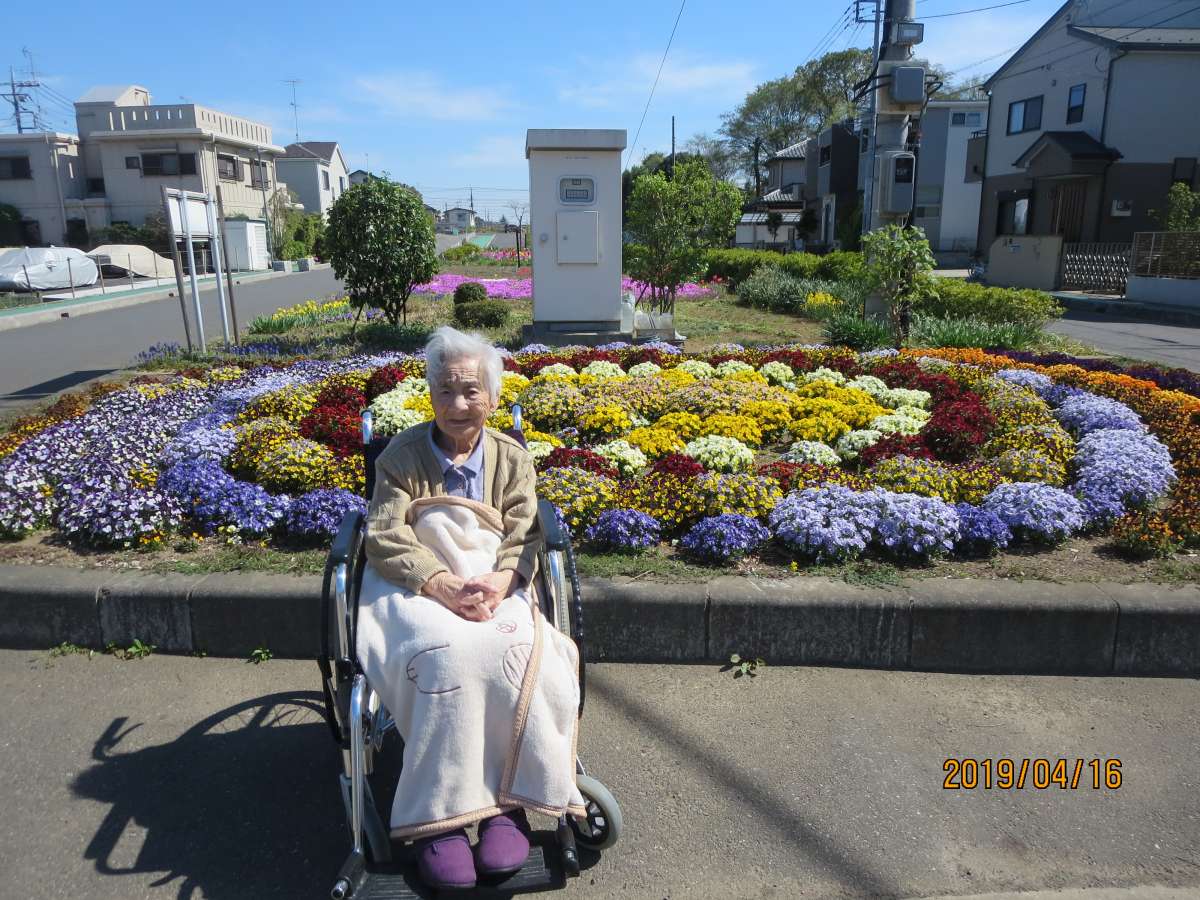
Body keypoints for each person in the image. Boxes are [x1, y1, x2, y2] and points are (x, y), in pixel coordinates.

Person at [361, 326, 578, 890]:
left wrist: (502, 581)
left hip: (492, 578)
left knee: (520, 654)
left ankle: (508, 804)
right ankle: (442, 819)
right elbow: (384, 535)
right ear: (430, 394)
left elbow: (525, 531)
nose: (457, 404)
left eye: (471, 390)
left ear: (494, 397)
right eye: (445, 390)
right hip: (418, 583)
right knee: (443, 659)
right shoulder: (400, 456)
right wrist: (440, 584)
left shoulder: (512, 457)